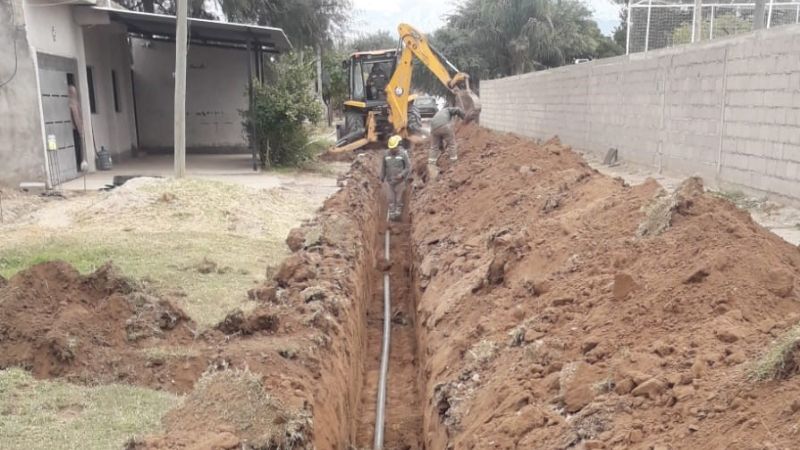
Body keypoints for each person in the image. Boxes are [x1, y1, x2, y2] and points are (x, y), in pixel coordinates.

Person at [380, 135, 411, 221]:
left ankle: (398, 215)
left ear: (398, 146)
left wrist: (402, 175)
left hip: (400, 182)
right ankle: (392, 215)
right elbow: (383, 167)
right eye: (391, 148)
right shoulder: (386, 155)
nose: (393, 149)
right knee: (390, 199)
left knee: (398, 199)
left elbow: (408, 167)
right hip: (389, 181)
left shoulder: (403, 154)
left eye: (394, 148)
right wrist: (382, 177)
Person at [428, 106, 465, 178]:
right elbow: (457, 109)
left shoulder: (439, 114)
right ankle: (454, 161)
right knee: (452, 144)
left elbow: (439, 140)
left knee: (434, 147)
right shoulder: (448, 110)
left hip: (433, 128)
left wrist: (442, 149)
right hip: (445, 126)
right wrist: (464, 117)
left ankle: (431, 163)